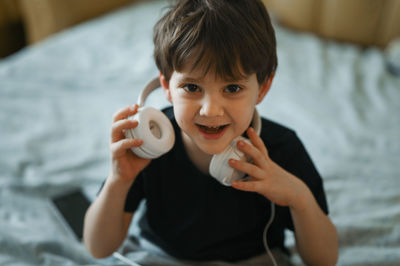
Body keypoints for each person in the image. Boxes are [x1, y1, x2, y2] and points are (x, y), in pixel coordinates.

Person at [83, 0, 339, 265]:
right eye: (192, 88)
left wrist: (299, 198)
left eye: (232, 89)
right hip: (162, 257)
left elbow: (324, 260)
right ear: (167, 86)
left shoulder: (283, 149)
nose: (210, 110)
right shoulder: (148, 142)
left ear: (262, 88)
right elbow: (98, 248)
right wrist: (118, 180)